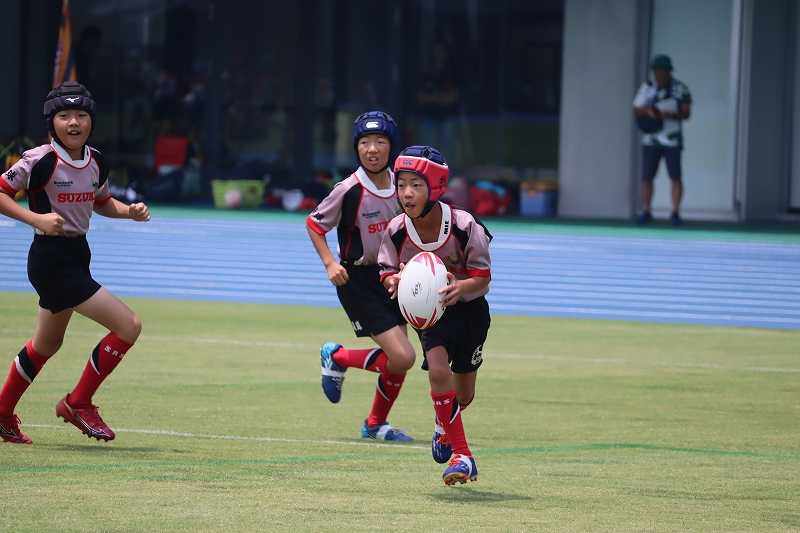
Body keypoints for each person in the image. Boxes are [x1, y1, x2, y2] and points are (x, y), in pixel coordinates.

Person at [0, 81, 150, 444]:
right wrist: (36, 219)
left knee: (45, 345)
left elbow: (102, 202)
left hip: (78, 255)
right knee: (128, 326)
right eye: (64, 115)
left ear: (91, 121)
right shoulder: (39, 159)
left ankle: (2, 414)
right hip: (50, 259)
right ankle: (78, 402)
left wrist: (128, 212)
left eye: (81, 115)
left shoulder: (96, 160)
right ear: (51, 122)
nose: (73, 122)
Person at [378, 145, 492, 485]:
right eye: (401, 185)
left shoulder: (464, 225)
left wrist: (462, 286)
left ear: (436, 186)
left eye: (416, 185)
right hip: (432, 315)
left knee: (464, 395)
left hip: (471, 313)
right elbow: (386, 271)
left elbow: (483, 278)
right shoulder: (396, 229)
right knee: (438, 372)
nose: (407, 193)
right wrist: (393, 281)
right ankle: (463, 456)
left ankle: (443, 424)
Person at [306, 111, 416, 442]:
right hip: (357, 281)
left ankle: (375, 424)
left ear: (391, 146)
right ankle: (337, 356)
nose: (372, 149)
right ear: (356, 148)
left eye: (380, 141)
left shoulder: (402, 186)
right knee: (403, 357)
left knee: (400, 360)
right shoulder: (349, 189)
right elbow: (314, 224)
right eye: (365, 142)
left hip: (392, 279)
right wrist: (330, 263)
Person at [633, 54, 692, 225]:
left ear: (669, 72)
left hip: (672, 139)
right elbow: (636, 109)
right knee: (647, 176)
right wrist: (650, 112)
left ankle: (675, 211)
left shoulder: (680, 89)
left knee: (675, 176)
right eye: (656, 71)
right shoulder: (647, 87)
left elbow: (686, 113)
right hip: (651, 138)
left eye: (662, 71)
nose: (658, 75)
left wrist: (668, 114)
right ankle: (646, 210)